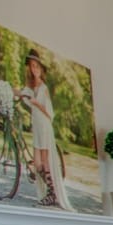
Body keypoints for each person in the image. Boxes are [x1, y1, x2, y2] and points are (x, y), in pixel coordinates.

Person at [15, 48, 72, 210]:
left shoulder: (43, 88)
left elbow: (49, 112)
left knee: (45, 161)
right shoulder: (31, 86)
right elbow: (21, 93)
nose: (34, 70)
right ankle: (49, 191)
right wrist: (9, 90)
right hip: (37, 126)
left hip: (44, 125)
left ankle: (52, 194)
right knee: (38, 163)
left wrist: (35, 102)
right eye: (32, 67)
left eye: (37, 67)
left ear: (41, 69)